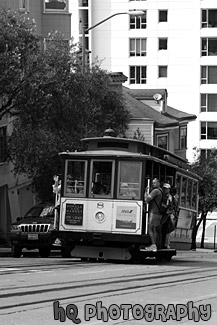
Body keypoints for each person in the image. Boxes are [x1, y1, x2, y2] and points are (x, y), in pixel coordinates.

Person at [141, 178, 163, 252]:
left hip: (153, 212)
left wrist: (145, 192)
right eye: (152, 183)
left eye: (155, 183)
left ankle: (153, 245)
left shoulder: (156, 191)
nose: (153, 184)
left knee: (150, 228)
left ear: (158, 183)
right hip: (158, 213)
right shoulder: (161, 191)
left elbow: (147, 199)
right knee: (154, 229)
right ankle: (154, 244)